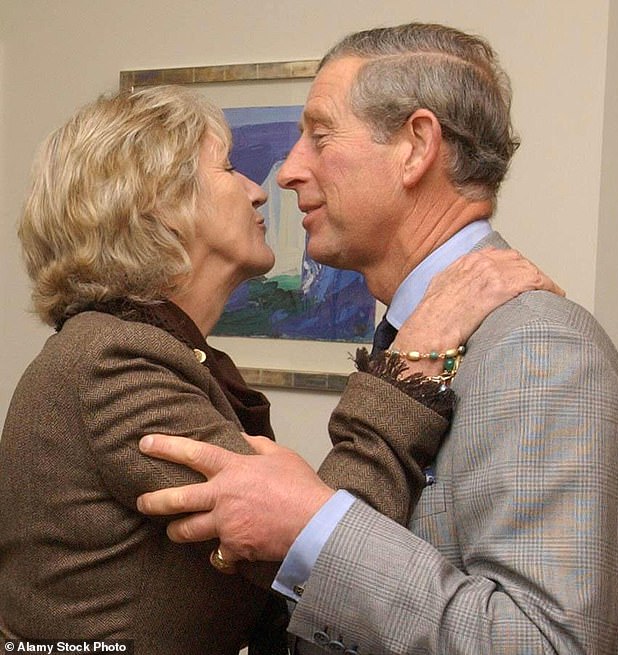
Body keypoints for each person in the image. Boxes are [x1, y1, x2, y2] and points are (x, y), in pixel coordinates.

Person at [0, 85, 556, 653]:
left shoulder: (142, 351)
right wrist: (414, 355)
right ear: (162, 206)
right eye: (230, 168)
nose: (257, 192)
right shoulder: (114, 364)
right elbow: (312, 545)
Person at [136, 22, 618, 654]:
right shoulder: (414, 335)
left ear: (415, 146)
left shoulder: (537, 348)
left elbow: (550, 644)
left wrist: (314, 529)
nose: (287, 172)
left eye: (319, 136)